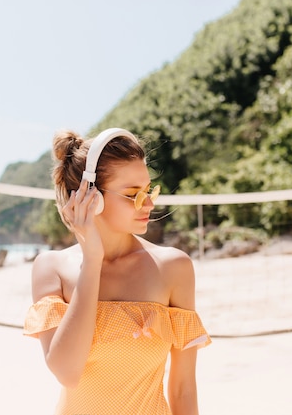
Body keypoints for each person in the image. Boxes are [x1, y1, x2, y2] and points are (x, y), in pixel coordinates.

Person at [23, 127, 211, 415]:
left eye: (149, 191)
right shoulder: (51, 268)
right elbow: (67, 372)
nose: (147, 204)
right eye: (133, 194)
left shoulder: (173, 267)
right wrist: (93, 261)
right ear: (90, 196)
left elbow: (183, 389)